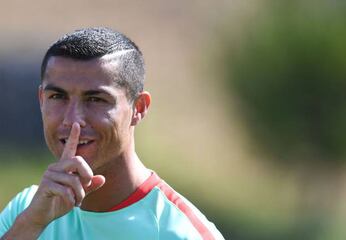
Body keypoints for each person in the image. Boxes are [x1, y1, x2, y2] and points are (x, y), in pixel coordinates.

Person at [0, 27, 224, 240]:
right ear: (41, 100)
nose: (73, 120)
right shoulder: (26, 210)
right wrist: (30, 225)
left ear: (139, 107)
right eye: (58, 97)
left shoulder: (181, 233)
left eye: (96, 100)